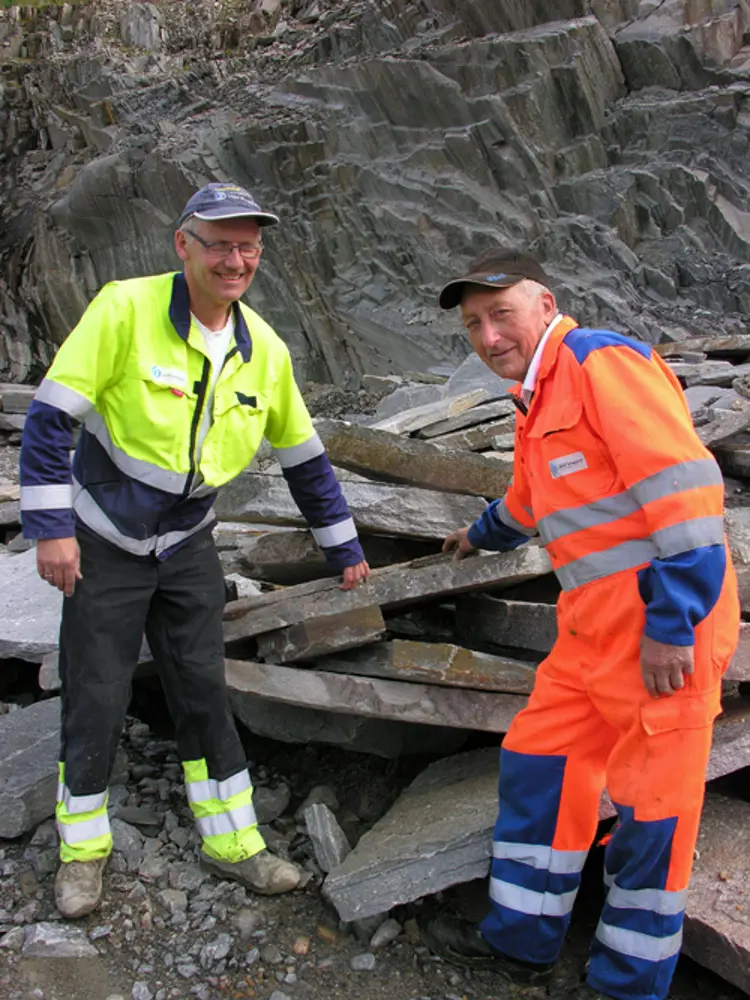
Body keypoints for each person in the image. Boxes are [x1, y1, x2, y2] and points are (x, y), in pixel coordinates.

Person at [19, 181, 370, 920]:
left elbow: (305, 458)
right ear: (184, 245)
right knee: (96, 690)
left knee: (203, 686)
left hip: (185, 542)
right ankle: (82, 852)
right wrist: (52, 531)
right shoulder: (124, 308)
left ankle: (233, 841)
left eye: (248, 247)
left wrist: (343, 547)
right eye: (219, 245)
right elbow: (50, 421)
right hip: (104, 539)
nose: (235, 260)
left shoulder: (263, 348)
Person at [423, 249, 739, 1000]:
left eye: (501, 313)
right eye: (473, 324)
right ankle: (522, 940)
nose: (489, 335)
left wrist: (673, 624)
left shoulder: (602, 363)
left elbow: (688, 496)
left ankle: (627, 981)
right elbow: (533, 498)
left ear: (544, 304)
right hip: (590, 629)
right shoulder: (536, 397)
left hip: (661, 624)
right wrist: (479, 534)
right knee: (541, 758)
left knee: (652, 807)